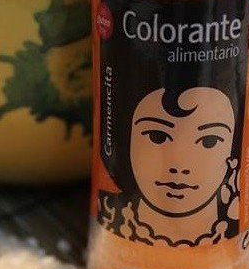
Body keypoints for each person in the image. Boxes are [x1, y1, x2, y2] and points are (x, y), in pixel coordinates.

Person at [98, 80, 240, 247]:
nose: (180, 165)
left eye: (209, 141)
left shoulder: (233, 219)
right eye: (157, 137)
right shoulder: (109, 210)